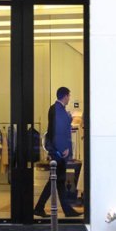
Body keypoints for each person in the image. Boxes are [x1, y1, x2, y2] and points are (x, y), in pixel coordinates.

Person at [34, 87, 82, 218]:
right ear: (65, 96)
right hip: (59, 152)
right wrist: (62, 149)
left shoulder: (56, 109)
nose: (69, 98)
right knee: (56, 180)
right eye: (69, 96)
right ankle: (40, 207)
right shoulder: (58, 109)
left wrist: (68, 119)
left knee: (58, 181)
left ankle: (64, 210)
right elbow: (58, 131)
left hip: (58, 151)